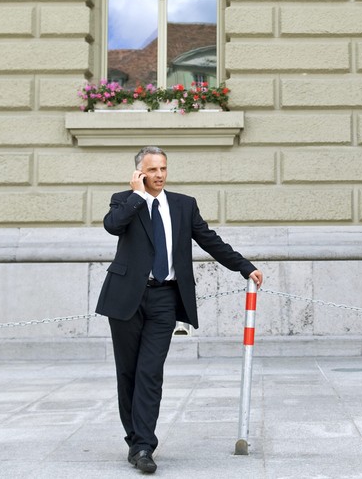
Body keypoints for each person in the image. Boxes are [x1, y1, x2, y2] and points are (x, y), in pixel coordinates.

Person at [96, 146, 263, 474]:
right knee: (128, 372)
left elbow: (210, 240)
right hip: (126, 297)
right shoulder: (124, 200)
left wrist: (244, 266)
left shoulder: (184, 205)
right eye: (152, 169)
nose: (159, 175)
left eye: (163, 168)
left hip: (165, 299)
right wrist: (138, 196)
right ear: (139, 172)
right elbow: (112, 226)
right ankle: (134, 438)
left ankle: (144, 445)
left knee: (150, 371)